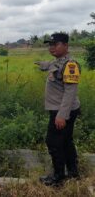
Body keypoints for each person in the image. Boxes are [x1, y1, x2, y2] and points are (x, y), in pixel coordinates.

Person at [36, 33, 81, 186]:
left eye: (56, 44)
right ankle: (73, 173)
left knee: (53, 142)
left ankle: (58, 177)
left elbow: (70, 93)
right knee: (66, 141)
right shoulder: (59, 62)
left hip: (62, 110)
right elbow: (52, 66)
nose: (52, 47)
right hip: (61, 109)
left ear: (66, 46)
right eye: (50, 45)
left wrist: (62, 115)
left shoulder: (71, 65)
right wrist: (43, 65)